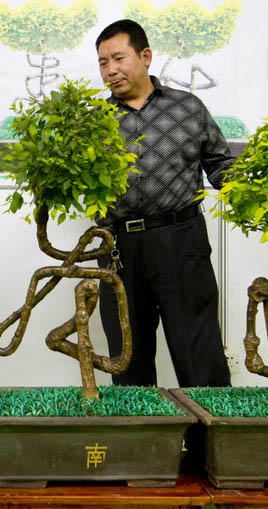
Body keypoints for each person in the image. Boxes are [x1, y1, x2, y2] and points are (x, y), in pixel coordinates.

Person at [94, 19, 232, 387]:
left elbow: (220, 164)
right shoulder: (95, 123)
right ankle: (141, 426)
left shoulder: (188, 108)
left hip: (181, 241)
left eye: (118, 58)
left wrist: (254, 192)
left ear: (145, 56)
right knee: (128, 359)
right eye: (103, 63)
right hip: (119, 248)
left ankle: (210, 426)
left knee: (199, 353)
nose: (111, 70)